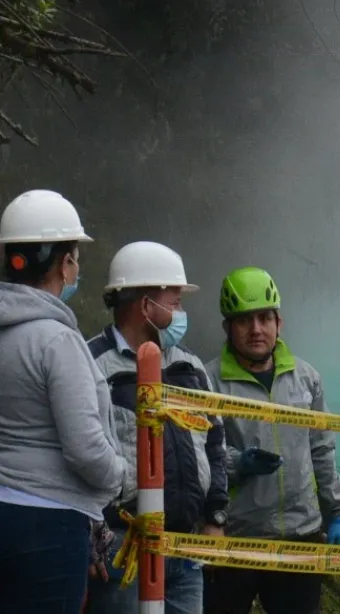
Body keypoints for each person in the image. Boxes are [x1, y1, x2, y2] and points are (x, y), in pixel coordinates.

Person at [0, 189, 127, 614]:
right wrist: (119, 476)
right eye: (74, 257)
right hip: (50, 528)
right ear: (63, 262)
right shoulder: (58, 340)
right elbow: (85, 447)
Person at [85, 241, 228, 614]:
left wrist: (215, 516)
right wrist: (91, 532)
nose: (182, 313)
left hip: (185, 545)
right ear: (146, 307)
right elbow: (79, 454)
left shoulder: (191, 367)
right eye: (175, 302)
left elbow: (214, 442)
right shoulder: (91, 364)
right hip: (120, 545)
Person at [203, 267, 340, 614]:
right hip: (236, 536)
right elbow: (201, 452)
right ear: (228, 327)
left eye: (264, 318)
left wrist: (338, 514)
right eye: (245, 320)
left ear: (278, 323)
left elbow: (322, 451)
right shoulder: (207, 380)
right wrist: (236, 463)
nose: (256, 329)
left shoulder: (306, 378)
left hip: (300, 535)